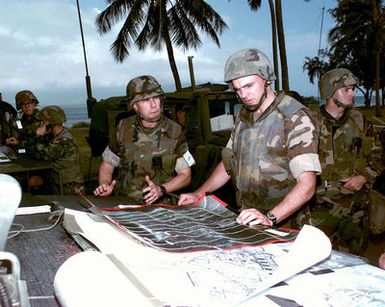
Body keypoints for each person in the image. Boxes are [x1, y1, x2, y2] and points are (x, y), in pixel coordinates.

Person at [178, 48, 321, 228]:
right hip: (247, 218)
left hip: (286, 222)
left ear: (267, 79)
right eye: (237, 89)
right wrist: (200, 193)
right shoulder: (244, 117)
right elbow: (228, 163)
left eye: (248, 86)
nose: (243, 95)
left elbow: (307, 184)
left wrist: (270, 218)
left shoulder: (294, 117)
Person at [93, 75, 194, 204]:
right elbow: (108, 164)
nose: (154, 105)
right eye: (146, 100)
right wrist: (104, 184)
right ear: (135, 106)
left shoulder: (175, 131)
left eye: (156, 98)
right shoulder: (123, 128)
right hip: (124, 203)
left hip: (161, 206)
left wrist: (161, 189)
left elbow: (185, 175)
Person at [310, 68, 377, 255]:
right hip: (319, 206)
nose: (353, 94)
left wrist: (364, 177)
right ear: (330, 92)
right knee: (315, 258)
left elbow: (378, 154)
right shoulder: (309, 121)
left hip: (355, 206)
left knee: (353, 259)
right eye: (346, 89)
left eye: (353, 89)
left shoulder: (360, 121)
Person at [33, 105, 84, 195]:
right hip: (64, 182)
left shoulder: (62, 140)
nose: (41, 125)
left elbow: (45, 156)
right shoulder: (61, 135)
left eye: (43, 122)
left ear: (50, 123)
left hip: (69, 185)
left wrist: (38, 137)